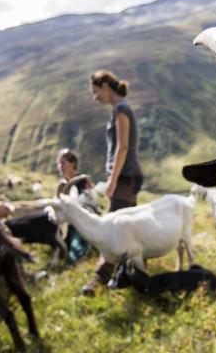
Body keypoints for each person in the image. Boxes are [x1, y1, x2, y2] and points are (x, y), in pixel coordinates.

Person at [82, 70, 144, 296]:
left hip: (124, 177)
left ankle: (99, 278)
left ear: (106, 86)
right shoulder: (121, 109)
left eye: (95, 91)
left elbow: (123, 147)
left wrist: (112, 180)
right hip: (129, 175)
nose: (94, 96)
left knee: (113, 228)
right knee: (127, 226)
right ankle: (129, 274)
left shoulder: (121, 110)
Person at [56, 148, 93, 263]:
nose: (60, 166)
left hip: (81, 225)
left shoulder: (83, 181)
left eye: (63, 163)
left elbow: (91, 203)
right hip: (65, 224)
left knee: (75, 251)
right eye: (59, 163)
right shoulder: (61, 184)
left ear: (73, 164)